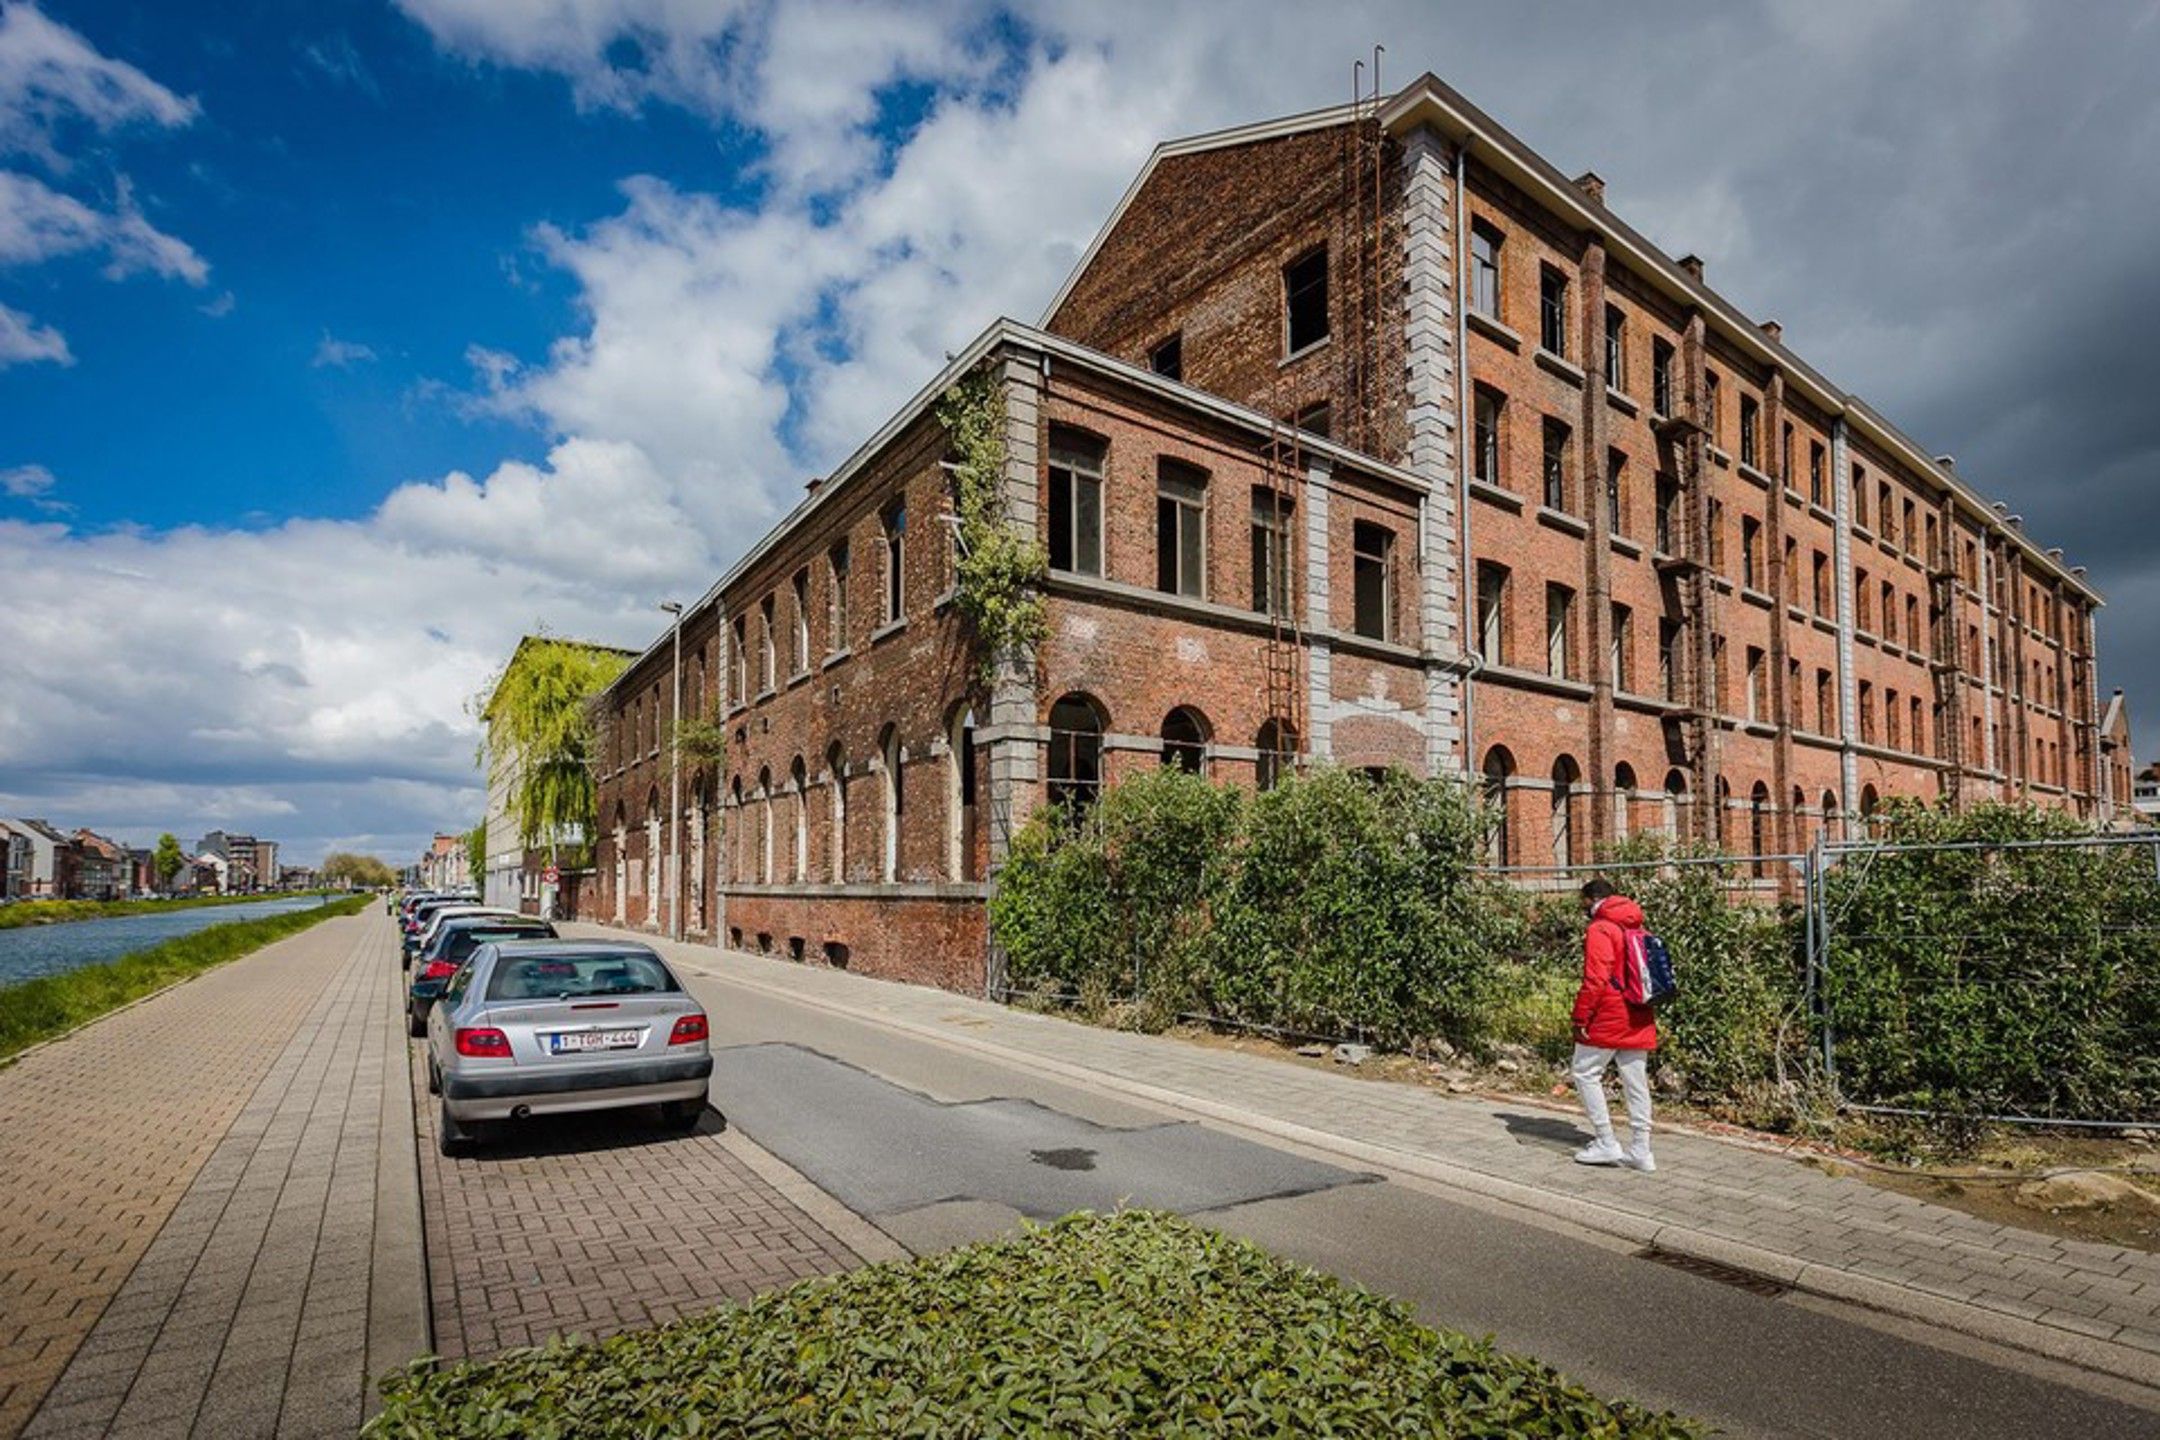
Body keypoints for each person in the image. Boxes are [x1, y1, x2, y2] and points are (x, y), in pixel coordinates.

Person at [1570, 877, 1656, 1172]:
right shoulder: (1636, 924)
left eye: (1583, 902)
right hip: (1639, 1009)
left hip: (1609, 1011)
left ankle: (1606, 1140)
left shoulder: (1600, 928)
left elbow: (1595, 978)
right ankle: (1642, 1150)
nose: (1582, 908)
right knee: (1636, 1081)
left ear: (1592, 899)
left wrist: (1581, 1016)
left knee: (1584, 1071)